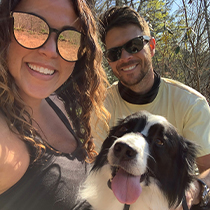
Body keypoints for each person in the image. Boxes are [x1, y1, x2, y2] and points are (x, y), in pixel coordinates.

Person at [91, 6, 210, 209]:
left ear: (152, 46)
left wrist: (193, 191)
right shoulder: (102, 106)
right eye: (114, 53)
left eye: (135, 45)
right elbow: (94, 166)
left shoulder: (191, 104)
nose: (125, 57)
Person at [0, 0, 109, 209]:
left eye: (69, 39)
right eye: (30, 27)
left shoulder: (56, 103)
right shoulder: (6, 143)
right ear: (3, 29)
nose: (51, 51)